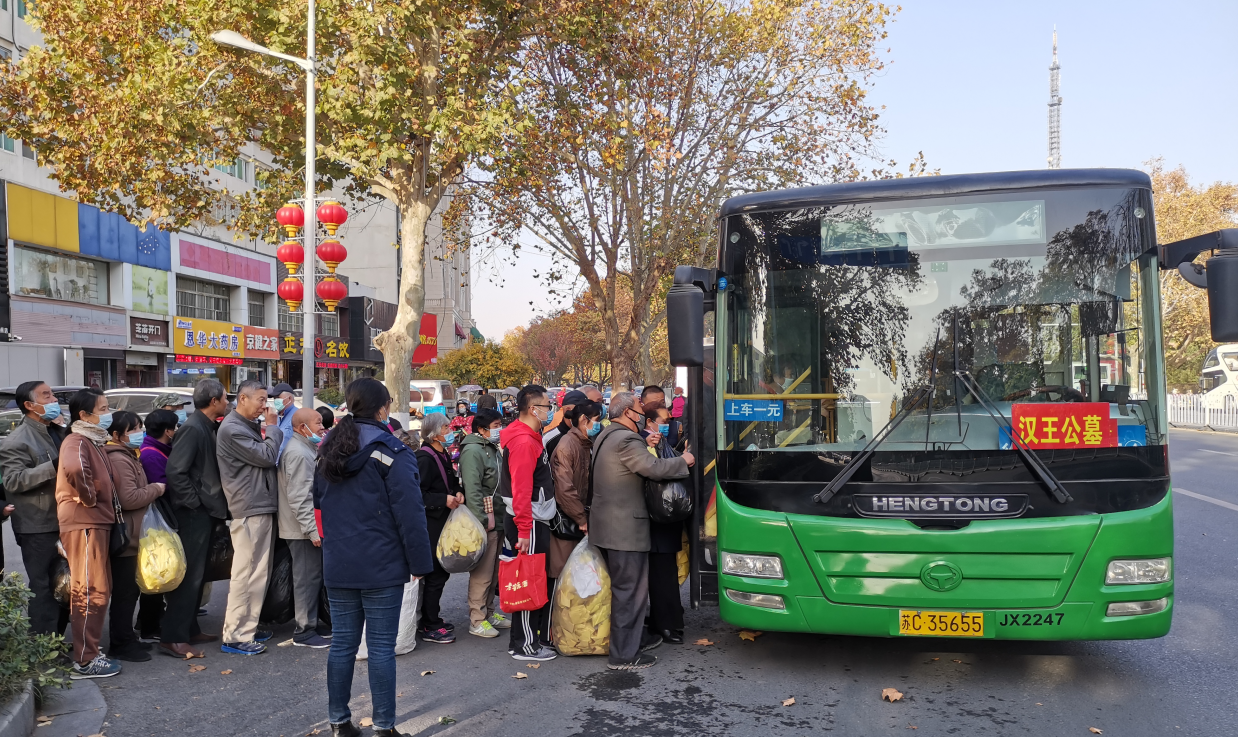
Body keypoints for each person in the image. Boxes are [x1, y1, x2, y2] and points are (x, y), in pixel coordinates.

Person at [315, 378, 433, 737]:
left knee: (342, 645)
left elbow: (318, 502)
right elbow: (410, 513)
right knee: (381, 648)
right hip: (382, 563)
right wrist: (419, 563)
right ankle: (383, 727)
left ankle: (339, 723)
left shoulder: (328, 448)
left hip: (339, 561)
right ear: (383, 408)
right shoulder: (393, 452)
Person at [589, 391, 693, 671]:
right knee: (630, 593)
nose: (642, 414)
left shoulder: (607, 435)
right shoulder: (626, 438)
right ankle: (624, 655)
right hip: (625, 529)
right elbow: (654, 468)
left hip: (608, 526)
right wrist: (684, 460)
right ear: (627, 413)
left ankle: (631, 643)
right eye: (638, 409)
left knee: (625, 591)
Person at [55, 388, 122, 678]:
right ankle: (85, 659)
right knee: (90, 589)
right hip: (84, 523)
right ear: (84, 414)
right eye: (103, 409)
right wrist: (89, 497)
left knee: (99, 588)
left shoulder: (92, 440)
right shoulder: (77, 440)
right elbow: (74, 468)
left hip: (94, 523)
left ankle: (90, 651)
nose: (108, 414)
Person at [162, 379, 229, 658]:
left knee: (199, 574)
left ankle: (190, 628)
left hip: (206, 509)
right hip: (194, 512)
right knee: (189, 575)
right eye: (225, 398)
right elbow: (176, 472)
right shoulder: (193, 427)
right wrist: (194, 503)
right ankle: (173, 636)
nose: (227, 402)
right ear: (213, 401)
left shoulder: (206, 425)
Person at [216, 379, 283, 655]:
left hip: (258, 504)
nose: (264, 406)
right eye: (260, 399)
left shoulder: (245, 425)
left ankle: (248, 627)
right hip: (248, 506)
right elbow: (267, 456)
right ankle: (235, 635)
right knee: (246, 573)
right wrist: (273, 427)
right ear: (242, 398)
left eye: (266, 400)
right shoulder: (232, 429)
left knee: (257, 573)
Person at [0, 380, 69, 637]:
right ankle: (43, 645)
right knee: (44, 587)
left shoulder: (56, 431)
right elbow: (13, 481)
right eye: (46, 396)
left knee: (65, 582)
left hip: (64, 518)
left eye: (52, 395)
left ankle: (57, 640)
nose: (54, 400)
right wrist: (53, 466)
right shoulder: (17, 440)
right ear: (30, 405)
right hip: (37, 525)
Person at [497, 384, 558, 662]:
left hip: (531, 520)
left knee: (530, 580)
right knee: (527, 581)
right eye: (547, 406)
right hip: (528, 522)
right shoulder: (523, 442)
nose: (550, 411)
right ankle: (525, 645)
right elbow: (521, 490)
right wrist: (524, 529)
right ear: (533, 409)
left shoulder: (529, 437)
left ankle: (524, 641)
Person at [101, 411, 165, 662]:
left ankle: (127, 637)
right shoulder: (118, 458)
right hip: (126, 536)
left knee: (130, 591)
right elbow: (128, 498)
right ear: (117, 435)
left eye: (140, 427)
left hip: (134, 534)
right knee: (125, 593)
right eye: (134, 429)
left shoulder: (128, 454)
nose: (140, 433)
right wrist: (156, 489)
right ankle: (121, 643)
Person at [278, 407, 331, 648]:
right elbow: (300, 497)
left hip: (304, 526)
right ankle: (304, 630)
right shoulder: (299, 453)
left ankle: (310, 623)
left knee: (312, 576)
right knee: (307, 578)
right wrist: (312, 529)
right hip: (301, 529)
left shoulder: (305, 449)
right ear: (302, 428)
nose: (322, 427)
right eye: (318, 423)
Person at [458, 408, 508, 638]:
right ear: (482, 429)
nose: (499, 430)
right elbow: (473, 489)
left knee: (494, 571)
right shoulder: (473, 451)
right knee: (483, 573)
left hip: (498, 517)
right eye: (496, 426)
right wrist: (480, 522)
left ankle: (489, 612)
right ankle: (477, 619)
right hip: (485, 520)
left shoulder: (492, 448)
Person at [414, 412, 463, 644]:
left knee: (441, 573)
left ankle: (433, 618)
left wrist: (458, 492)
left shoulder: (442, 453)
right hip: (431, 523)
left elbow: (450, 482)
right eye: (445, 428)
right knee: (435, 574)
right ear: (434, 434)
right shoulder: (424, 458)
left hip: (444, 521)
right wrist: (442, 499)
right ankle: (430, 624)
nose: (449, 431)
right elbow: (418, 494)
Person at [642, 401, 686, 644]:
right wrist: (683, 460)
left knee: (666, 572)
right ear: (649, 421)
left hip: (666, 518)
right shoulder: (643, 443)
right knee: (661, 575)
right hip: (655, 520)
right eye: (665, 421)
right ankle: (666, 623)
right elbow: (657, 471)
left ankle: (670, 619)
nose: (669, 425)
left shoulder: (660, 441)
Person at [135, 409, 179, 643]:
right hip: (157, 521)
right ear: (168, 431)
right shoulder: (151, 454)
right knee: (157, 570)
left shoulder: (160, 449)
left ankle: (148, 620)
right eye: (175, 427)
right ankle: (149, 625)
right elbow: (162, 486)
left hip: (160, 518)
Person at [549, 401, 601, 582]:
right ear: (583, 419)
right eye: (596, 419)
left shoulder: (585, 443)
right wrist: (581, 518)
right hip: (567, 520)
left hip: (578, 517)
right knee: (564, 576)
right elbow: (564, 488)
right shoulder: (567, 445)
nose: (598, 424)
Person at [269, 383, 297, 461]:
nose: (275, 401)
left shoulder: (297, 416)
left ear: (289, 398)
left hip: (290, 462)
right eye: (274, 398)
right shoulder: (276, 417)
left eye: (278, 397)